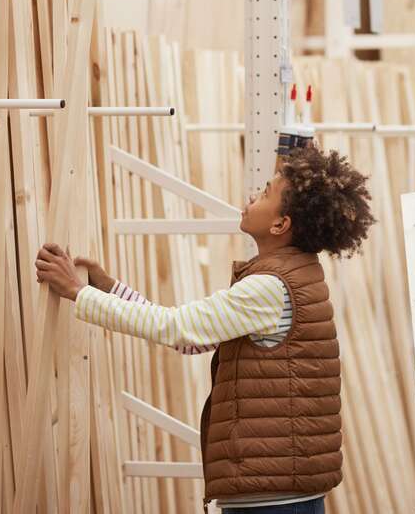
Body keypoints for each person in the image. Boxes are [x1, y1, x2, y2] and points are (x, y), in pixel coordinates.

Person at [36, 145, 376, 514]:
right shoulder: (293, 275)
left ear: (281, 225)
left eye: (264, 194)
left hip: (272, 500)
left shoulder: (270, 288)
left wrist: (78, 292)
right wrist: (109, 289)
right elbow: (194, 339)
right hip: (281, 490)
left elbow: (180, 329)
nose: (252, 196)